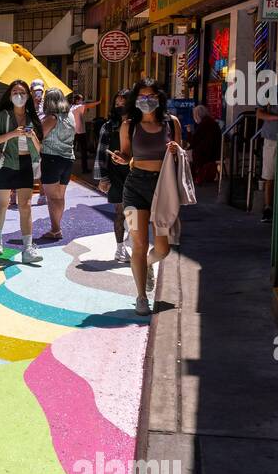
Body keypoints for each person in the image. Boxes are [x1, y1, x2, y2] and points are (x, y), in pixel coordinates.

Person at [108, 79, 182, 316]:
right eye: (141, 97)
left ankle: (148, 265)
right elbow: (126, 153)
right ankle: (141, 297)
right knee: (138, 244)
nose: (146, 100)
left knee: (163, 249)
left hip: (163, 188)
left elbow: (180, 154)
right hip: (135, 186)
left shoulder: (172, 123)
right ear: (135, 100)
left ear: (159, 98)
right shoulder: (128, 125)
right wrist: (120, 158)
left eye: (151, 96)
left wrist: (175, 150)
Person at [0, 79, 43, 263]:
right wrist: (13, 133)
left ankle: (27, 248)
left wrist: (32, 135)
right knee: (2, 204)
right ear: (10, 96)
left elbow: (39, 147)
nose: (19, 96)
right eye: (15, 93)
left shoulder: (32, 118)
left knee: (25, 206)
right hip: (5, 164)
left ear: (28, 96)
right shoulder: (3, 116)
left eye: (22, 93)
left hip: (25, 163)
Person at [94, 93, 132, 262]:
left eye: (123, 102)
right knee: (120, 213)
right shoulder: (108, 126)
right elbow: (101, 153)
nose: (120, 105)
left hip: (135, 173)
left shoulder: (138, 125)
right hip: (115, 173)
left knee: (135, 213)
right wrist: (102, 178)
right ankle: (120, 248)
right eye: (116, 103)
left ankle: (132, 244)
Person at [37, 87, 74, 242]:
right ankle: (57, 228)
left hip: (51, 159)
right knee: (60, 196)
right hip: (68, 159)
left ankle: (55, 229)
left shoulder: (51, 118)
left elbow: (39, 136)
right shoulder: (69, 116)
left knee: (52, 198)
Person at [188, 103, 221, 184]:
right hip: (215, 151)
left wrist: (189, 132)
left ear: (197, 115)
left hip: (205, 153)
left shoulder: (203, 124)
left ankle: (193, 176)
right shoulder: (213, 123)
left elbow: (193, 141)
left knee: (186, 154)